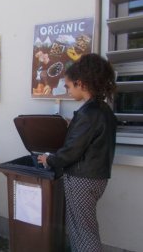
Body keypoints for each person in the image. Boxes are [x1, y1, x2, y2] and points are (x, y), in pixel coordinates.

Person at [38, 53, 117, 252]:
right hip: (97, 177)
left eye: (69, 86)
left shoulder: (88, 114)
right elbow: (93, 139)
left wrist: (49, 160)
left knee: (82, 230)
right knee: (85, 226)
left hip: (82, 179)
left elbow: (71, 152)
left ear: (81, 84)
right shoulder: (103, 110)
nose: (68, 91)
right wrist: (73, 124)